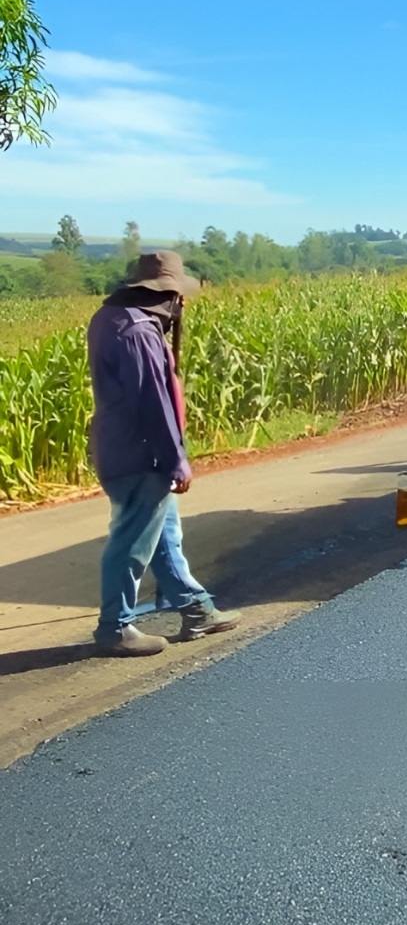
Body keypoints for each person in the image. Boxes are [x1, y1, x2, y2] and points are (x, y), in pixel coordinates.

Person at [87, 250, 240, 656]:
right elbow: (153, 401)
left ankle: (197, 609)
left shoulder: (110, 318)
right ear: (169, 295)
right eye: (179, 298)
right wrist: (176, 459)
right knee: (132, 540)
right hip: (140, 453)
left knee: (163, 535)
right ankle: (115, 627)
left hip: (118, 445)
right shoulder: (138, 332)